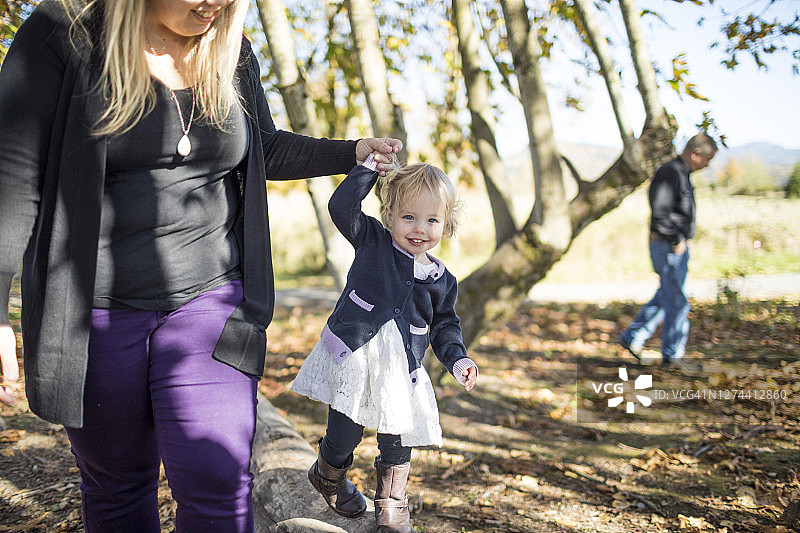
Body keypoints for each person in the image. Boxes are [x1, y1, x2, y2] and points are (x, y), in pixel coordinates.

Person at [0, 1, 401, 531]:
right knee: (117, 489)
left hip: (211, 299)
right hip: (90, 311)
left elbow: (265, 147)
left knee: (218, 478)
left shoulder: (231, 50)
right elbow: (13, 177)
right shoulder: (64, 35)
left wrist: (349, 151)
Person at [290, 156, 478, 532]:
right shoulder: (371, 239)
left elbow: (445, 327)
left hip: (402, 369)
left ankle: (392, 505)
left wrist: (457, 359)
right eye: (408, 217)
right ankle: (328, 474)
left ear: (446, 224)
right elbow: (340, 206)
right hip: (355, 357)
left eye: (432, 220)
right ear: (389, 215)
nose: (419, 229)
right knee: (345, 431)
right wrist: (369, 170)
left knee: (397, 439)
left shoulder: (442, 280)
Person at [619, 133, 717, 366]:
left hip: (674, 245)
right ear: (696, 154)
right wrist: (676, 240)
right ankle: (673, 357)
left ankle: (633, 336)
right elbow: (660, 212)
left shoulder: (681, 174)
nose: (708, 165)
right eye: (708, 159)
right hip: (668, 246)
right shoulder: (670, 173)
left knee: (666, 295)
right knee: (677, 302)